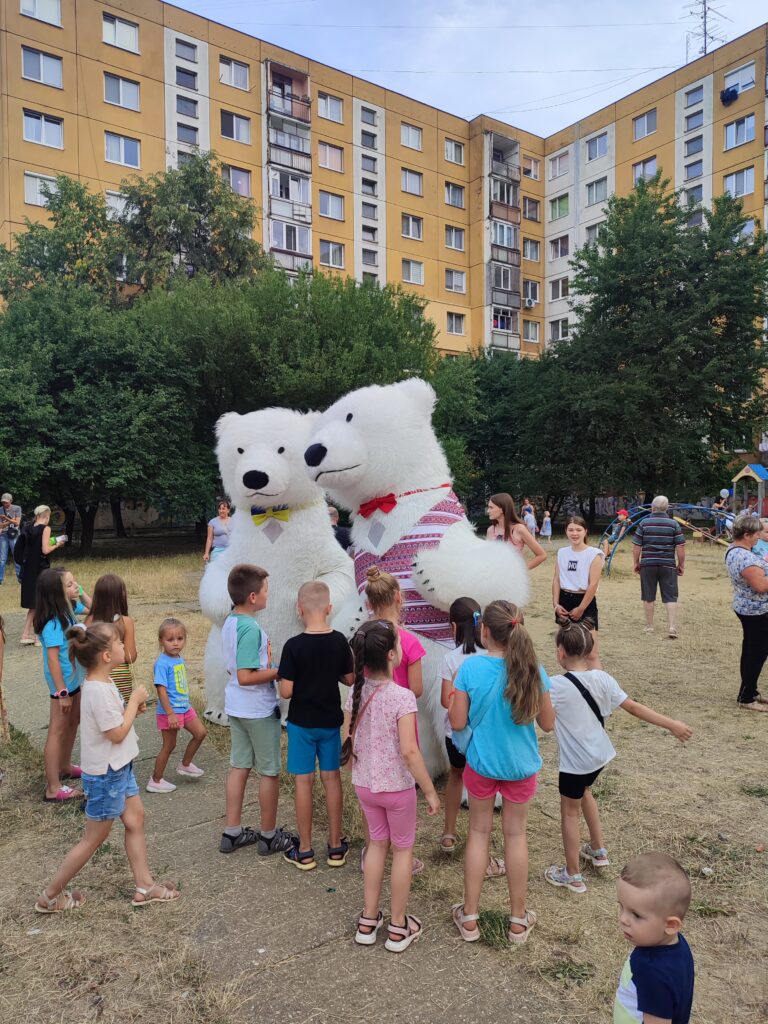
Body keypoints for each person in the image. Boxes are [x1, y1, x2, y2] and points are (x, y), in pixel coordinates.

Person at [34, 622, 181, 913]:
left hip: (119, 768)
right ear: (106, 655)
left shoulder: (104, 682)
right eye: (119, 643)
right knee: (93, 839)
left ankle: (145, 885)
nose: (124, 646)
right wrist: (134, 703)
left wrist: (130, 710)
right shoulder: (96, 690)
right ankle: (49, 896)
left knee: (135, 819)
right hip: (106, 776)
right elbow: (115, 733)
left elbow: (115, 722)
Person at [545, 619, 692, 894]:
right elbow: (634, 708)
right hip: (599, 757)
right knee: (585, 792)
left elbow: (543, 720)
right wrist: (671, 724)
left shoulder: (554, 685)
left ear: (560, 652)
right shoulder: (603, 678)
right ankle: (598, 849)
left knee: (569, 813)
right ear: (589, 650)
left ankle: (572, 875)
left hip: (575, 764)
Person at [448, 601, 554, 945]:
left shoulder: (470, 669)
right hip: (520, 767)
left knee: (478, 833)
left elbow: (457, 722)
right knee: (516, 836)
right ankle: (518, 921)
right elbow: (548, 723)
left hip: (481, 764)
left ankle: (469, 917)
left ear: (484, 631)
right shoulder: (534, 669)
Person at [343, 619, 440, 953]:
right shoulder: (402, 697)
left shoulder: (355, 693)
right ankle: (398, 926)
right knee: (402, 851)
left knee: (376, 846)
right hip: (397, 788)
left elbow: (347, 737)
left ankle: (368, 919)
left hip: (365, 784)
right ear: (391, 655)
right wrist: (429, 790)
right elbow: (410, 751)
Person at [219, 564, 295, 855]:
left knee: (239, 766)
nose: (268, 595)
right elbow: (246, 675)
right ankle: (268, 836)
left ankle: (232, 832)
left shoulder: (231, 621)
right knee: (269, 772)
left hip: (237, 706)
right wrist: (280, 670)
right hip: (258, 709)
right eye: (265, 591)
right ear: (253, 597)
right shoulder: (250, 629)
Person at [277, 580, 354, 870]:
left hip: (301, 724)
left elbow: (286, 691)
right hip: (330, 722)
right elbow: (350, 678)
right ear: (329, 608)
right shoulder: (339, 641)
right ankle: (335, 846)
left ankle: (305, 850)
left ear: (300, 609)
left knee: (303, 782)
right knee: (331, 779)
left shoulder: (293, 646)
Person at [614, 853, 695, 1024]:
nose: (623, 919)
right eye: (621, 906)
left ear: (671, 925)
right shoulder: (679, 946)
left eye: (636, 915)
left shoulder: (650, 971)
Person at [34, 567, 91, 802]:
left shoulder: (68, 610)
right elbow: (53, 660)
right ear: (56, 594)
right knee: (57, 730)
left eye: (74, 581)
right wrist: (62, 693)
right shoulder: (53, 623)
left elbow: (93, 608)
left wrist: (80, 591)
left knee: (74, 720)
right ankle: (53, 787)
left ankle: (65, 766)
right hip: (62, 685)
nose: (75, 586)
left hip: (73, 679)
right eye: (69, 584)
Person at [146, 618, 208, 793]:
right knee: (169, 746)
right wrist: (170, 713)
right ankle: (155, 780)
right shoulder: (162, 663)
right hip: (170, 711)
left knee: (200, 733)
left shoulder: (178, 658)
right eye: (170, 639)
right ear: (161, 641)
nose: (175, 643)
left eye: (180, 639)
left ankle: (185, 764)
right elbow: (161, 690)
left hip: (184, 708)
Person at [724, 515, 768, 712]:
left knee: (751, 650)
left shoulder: (734, 550)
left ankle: (750, 690)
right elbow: (761, 586)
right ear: (747, 534)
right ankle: (746, 697)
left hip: (747, 607)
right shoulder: (745, 557)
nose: (759, 537)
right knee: (756, 654)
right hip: (756, 611)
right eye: (757, 534)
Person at [552, 515, 604, 669]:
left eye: (578, 530)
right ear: (566, 531)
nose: (574, 533)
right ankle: (573, 681)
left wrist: (581, 608)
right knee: (565, 651)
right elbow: (556, 580)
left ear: (585, 531)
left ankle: (597, 683)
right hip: (564, 602)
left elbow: (593, 584)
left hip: (585, 602)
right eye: (571, 530)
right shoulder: (562, 552)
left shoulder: (594, 554)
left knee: (591, 653)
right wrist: (556, 604)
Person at [364, 566, 424, 697]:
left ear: (369, 604)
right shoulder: (410, 642)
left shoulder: (362, 636)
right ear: (398, 596)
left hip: (369, 707)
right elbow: (416, 690)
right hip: (401, 709)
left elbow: (356, 678)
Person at [633, 496, 685, 639]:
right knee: (671, 596)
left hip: (648, 564)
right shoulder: (674, 524)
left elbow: (637, 545)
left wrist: (636, 562)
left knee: (648, 596)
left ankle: (650, 626)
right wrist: (681, 564)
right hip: (668, 565)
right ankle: (672, 627)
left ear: (652, 508)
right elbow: (680, 546)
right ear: (667, 508)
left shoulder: (644, 523)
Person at [85, 574, 137, 703]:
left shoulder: (89, 621)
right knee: (123, 712)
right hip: (121, 679)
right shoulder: (126, 621)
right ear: (121, 596)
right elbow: (130, 657)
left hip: (96, 677)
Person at [19, 505, 67, 645]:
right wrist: (57, 544)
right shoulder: (45, 529)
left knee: (33, 604)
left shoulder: (28, 527)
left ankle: (25, 634)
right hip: (40, 569)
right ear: (47, 515)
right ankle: (37, 636)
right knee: (41, 603)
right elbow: (45, 550)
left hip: (28, 569)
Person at [486, 493, 546, 570]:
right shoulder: (490, 530)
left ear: (502, 509)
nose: (488, 511)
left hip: (513, 577)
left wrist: (520, 571)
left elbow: (542, 555)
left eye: (491, 507)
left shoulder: (519, 529)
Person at [0, 492, 22, 584]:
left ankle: (20, 578)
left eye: (6, 502)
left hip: (14, 535)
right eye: (3, 502)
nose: (4, 504)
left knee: (16, 556)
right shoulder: (0, 510)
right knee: (2, 559)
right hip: (3, 535)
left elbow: (17, 523)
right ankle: (0, 580)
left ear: (11, 501)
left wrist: (6, 518)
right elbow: (1, 525)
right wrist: (11, 521)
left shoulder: (17, 508)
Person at [203, 498, 232, 563]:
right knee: (216, 568)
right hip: (218, 550)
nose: (221, 511)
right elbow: (209, 539)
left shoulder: (234, 521)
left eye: (223, 509)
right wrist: (206, 553)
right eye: (219, 509)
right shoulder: (212, 522)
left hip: (231, 550)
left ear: (228, 510)